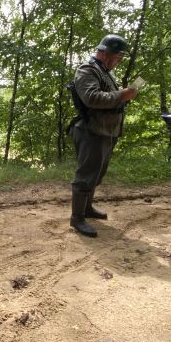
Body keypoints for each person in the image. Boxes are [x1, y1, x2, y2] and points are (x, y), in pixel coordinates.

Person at [68, 34, 138, 237]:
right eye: (119, 57)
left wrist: (125, 96)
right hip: (91, 131)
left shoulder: (105, 72)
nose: (120, 61)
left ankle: (87, 208)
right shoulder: (87, 70)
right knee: (85, 176)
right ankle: (77, 218)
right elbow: (91, 98)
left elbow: (110, 98)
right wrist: (122, 94)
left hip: (106, 130)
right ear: (107, 54)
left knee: (97, 174)